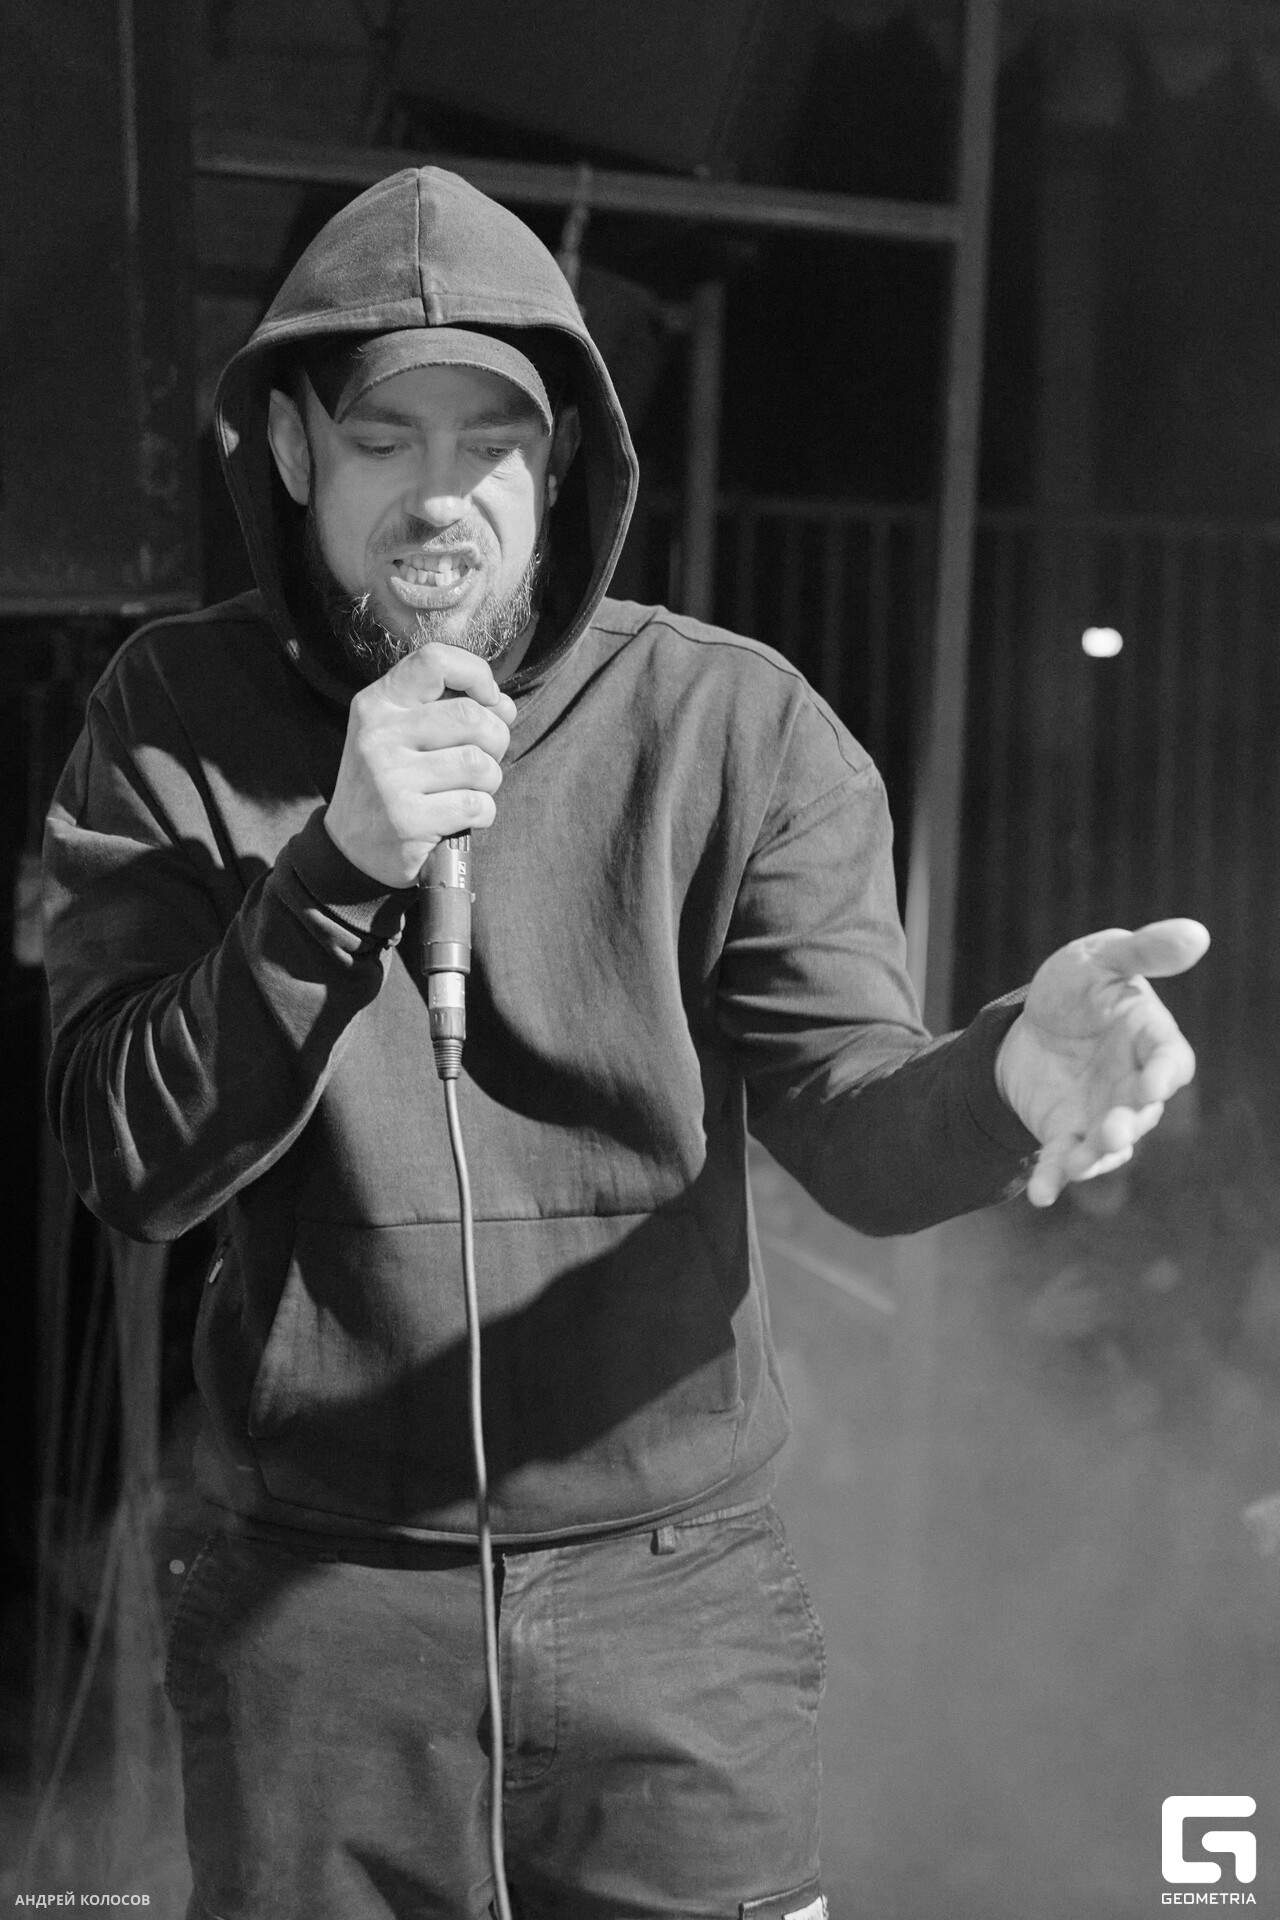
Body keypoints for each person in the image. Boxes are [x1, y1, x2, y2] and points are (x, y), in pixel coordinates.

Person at [42, 166, 1206, 1920]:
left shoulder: (730, 724)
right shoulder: (167, 717)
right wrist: (335, 870)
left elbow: (855, 1120)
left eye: (492, 441)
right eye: (383, 437)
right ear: (288, 447)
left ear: (567, 456)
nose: (441, 495)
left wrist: (1011, 1081)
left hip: (675, 1608)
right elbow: (130, 1161)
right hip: (322, 1620)